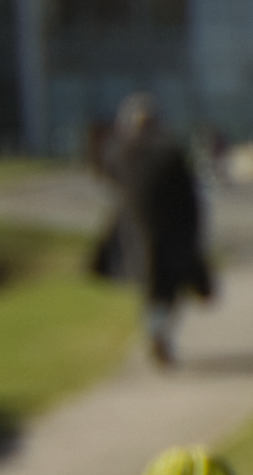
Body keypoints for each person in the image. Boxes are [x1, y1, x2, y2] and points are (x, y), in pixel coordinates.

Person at [90, 94, 216, 368]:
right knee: (169, 293)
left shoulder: (121, 155)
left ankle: (155, 332)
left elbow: (108, 178)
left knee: (151, 292)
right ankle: (158, 332)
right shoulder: (171, 154)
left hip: (135, 237)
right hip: (172, 236)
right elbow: (190, 199)